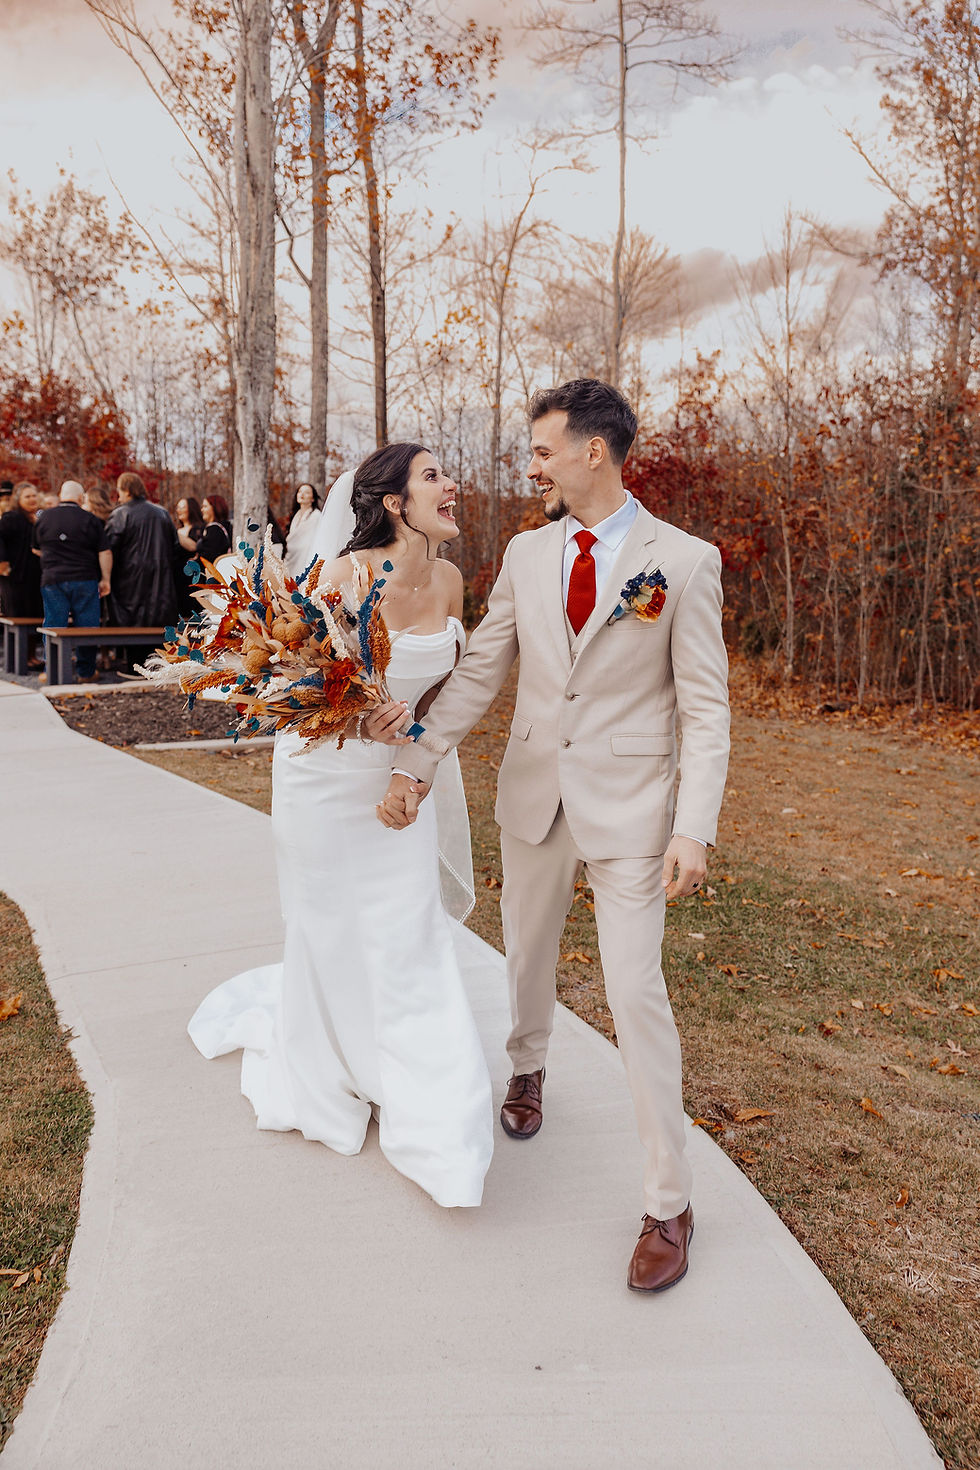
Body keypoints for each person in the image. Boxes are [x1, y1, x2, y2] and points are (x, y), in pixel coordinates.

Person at [376, 379, 730, 1291]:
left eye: (541, 450)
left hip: (632, 810)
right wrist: (417, 760)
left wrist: (694, 825)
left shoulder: (682, 562)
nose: (529, 465)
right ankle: (527, 1068)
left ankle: (669, 1202)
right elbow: (483, 671)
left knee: (635, 991)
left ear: (592, 454)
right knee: (525, 955)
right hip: (535, 790)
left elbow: (706, 705)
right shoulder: (527, 555)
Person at [187, 445, 493, 1208]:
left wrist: (410, 760)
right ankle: (335, 1064)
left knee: (408, 930)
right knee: (330, 930)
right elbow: (296, 693)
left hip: (400, 780)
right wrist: (367, 728)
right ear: (394, 502)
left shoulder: (453, 580)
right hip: (324, 778)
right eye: (433, 476)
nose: (450, 485)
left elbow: (439, 694)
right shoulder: (343, 576)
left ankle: (435, 1112)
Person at [33, 481, 112, 683]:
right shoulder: (91, 519)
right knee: (87, 625)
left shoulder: (44, 518)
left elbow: (35, 548)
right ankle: (86, 672)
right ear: (81, 498)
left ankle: (52, 671)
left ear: (61, 495)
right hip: (85, 579)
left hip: (52, 579)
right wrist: (106, 579)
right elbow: (105, 552)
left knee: (53, 624)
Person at [105, 472, 179, 670]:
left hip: (129, 578)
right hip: (161, 577)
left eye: (119, 490)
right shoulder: (162, 513)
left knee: (132, 620)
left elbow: (109, 546)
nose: (118, 495)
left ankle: (134, 665)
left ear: (127, 490)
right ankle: (156, 666)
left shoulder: (120, 514)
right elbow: (175, 545)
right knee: (157, 620)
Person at [0, 483, 43, 645]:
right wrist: (2, 563)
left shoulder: (36, 519)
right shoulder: (12, 517)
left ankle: (31, 656)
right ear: (18, 499)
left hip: (34, 577)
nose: (32, 499)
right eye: (27, 496)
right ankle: (19, 658)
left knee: (34, 616)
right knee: (19, 616)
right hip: (16, 578)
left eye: (34, 495)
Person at [283, 482, 321, 578]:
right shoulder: (295, 515)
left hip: (305, 557)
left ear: (312, 498)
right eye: (300, 492)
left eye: (307, 492)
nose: (302, 494)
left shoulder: (316, 516)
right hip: (291, 556)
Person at [195, 493, 233, 566]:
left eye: (205, 506)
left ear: (215, 508)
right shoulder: (221, 527)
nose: (202, 510)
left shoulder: (215, 530)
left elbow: (209, 556)